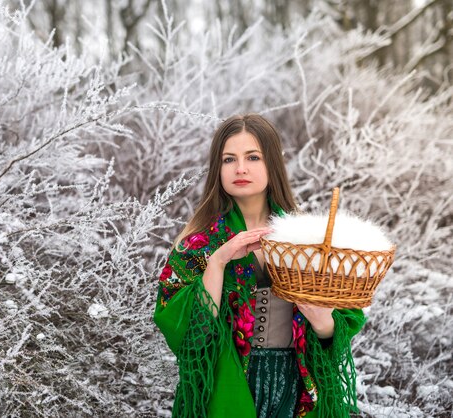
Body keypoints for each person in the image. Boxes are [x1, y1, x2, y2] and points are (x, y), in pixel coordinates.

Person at [153, 114, 366, 418]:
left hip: (296, 388)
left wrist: (322, 322)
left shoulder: (307, 241)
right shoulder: (197, 245)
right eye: (229, 159)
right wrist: (217, 263)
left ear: (272, 164)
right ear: (218, 169)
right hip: (226, 389)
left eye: (253, 157)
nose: (240, 168)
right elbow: (185, 335)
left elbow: (345, 322)